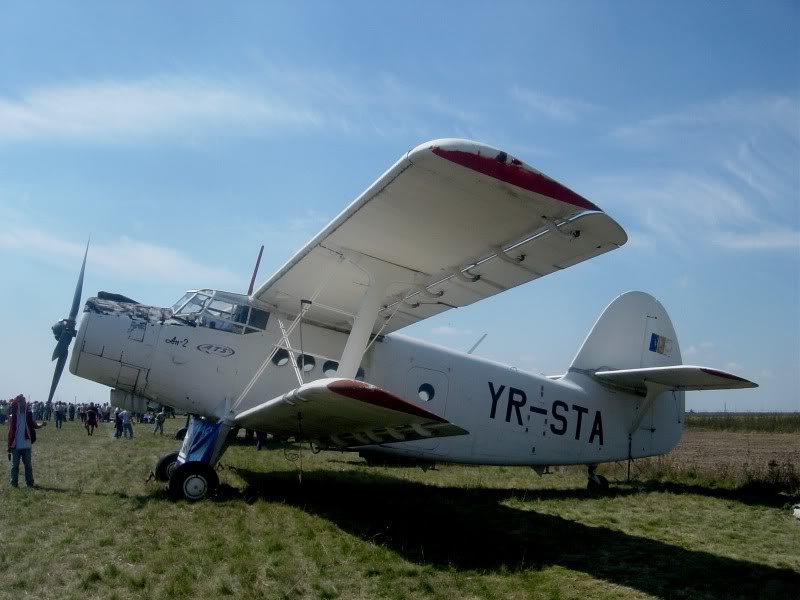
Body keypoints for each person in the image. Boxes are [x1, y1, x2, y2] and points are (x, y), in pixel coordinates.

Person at [7, 395, 45, 488]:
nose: (23, 403)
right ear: (17, 403)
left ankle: (29, 483)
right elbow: (10, 431)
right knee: (14, 465)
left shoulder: (29, 414)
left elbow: (35, 425)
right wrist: (9, 445)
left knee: (28, 465)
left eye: (24, 401)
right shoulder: (13, 416)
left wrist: (42, 424)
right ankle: (14, 484)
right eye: (21, 402)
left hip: (26, 445)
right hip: (16, 445)